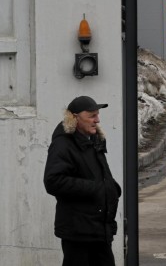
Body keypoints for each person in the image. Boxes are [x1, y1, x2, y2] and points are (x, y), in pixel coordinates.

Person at [44, 96, 122, 266]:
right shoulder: (63, 145)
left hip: (98, 229)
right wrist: (94, 188)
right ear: (75, 118)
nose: (97, 120)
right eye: (92, 116)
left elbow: (101, 175)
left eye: (98, 115)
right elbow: (53, 181)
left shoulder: (94, 140)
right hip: (78, 231)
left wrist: (112, 189)